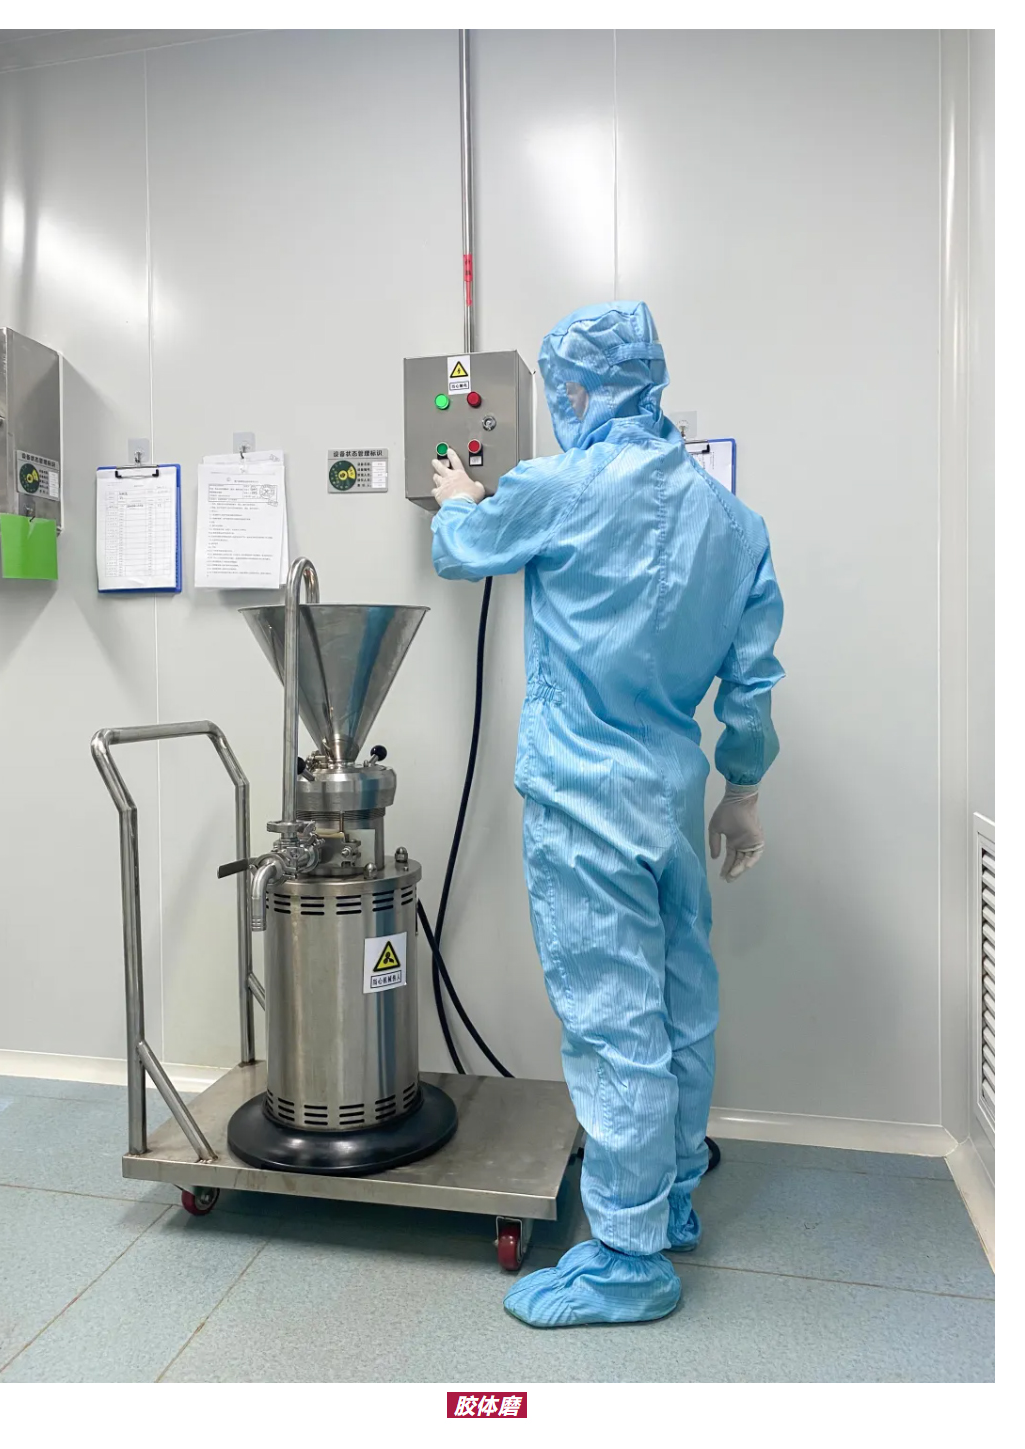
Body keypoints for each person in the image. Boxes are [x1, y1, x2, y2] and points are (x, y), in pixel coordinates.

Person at [430, 301, 784, 1328]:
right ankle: (668, 1200)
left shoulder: (559, 486)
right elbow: (751, 687)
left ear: (578, 391)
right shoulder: (734, 524)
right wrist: (742, 791)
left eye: (560, 393)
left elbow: (463, 549)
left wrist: (456, 495)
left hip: (583, 798)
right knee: (679, 1008)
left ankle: (628, 1258)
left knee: (613, 1022)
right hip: (670, 798)